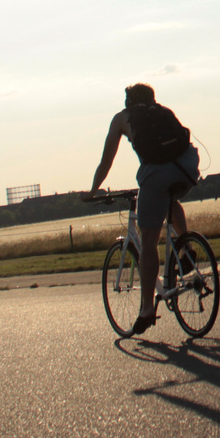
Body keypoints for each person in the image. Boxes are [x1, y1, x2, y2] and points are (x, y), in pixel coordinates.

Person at [90, 83, 201, 334]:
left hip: (157, 173)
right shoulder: (163, 111)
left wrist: (93, 189)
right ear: (152, 98)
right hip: (188, 168)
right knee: (171, 201)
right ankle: (187, 248)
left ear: (128, 101)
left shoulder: (122, 118)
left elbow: (106, 160)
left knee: (149, 241)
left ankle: (147, 309)